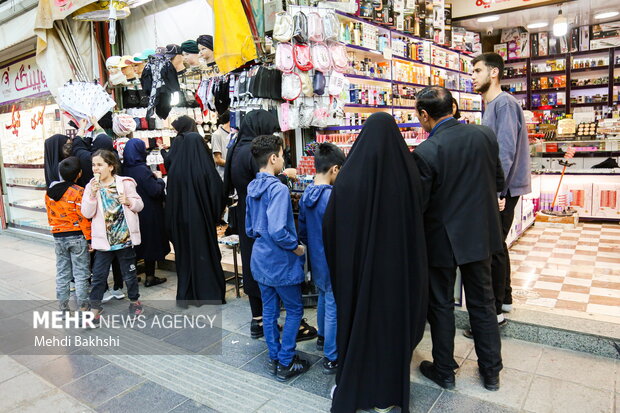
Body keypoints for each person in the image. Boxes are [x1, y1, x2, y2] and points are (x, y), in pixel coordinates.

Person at [323, 112, 429, 413]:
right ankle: (387, 394)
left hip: (359, 275)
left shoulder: (349, 179)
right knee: (391, 330)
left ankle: (358, 386)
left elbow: (331, 227)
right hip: (398, 273)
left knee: (360, 327)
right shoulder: (408, 174)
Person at [411, 86, 504, 392]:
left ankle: (445, 371)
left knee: (441, 304)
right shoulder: (484, 136)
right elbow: (498, 182)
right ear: (453, 107)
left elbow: (419, 205)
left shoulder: (426, 152)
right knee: (483, 303)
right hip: (481, 234)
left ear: (424, 116)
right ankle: (491, 373)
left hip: (442, 240)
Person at [225, 110, 316, 340]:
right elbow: (268, 183)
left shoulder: (235, 148)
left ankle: (260, 322)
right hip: (266, 218)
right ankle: (286, 334)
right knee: (277, 273)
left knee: (256, 269)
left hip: (249, 214)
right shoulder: (253, 153)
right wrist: (285, 177)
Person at [245, 134, 310, 381]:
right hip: (281, 260)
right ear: (273, 158)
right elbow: (278, 230)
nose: (283, 160)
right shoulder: (279, 189)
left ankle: (274, 357)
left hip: (260, 259)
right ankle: (286, 362)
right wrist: (297, 248)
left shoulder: (252, 188)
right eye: (282, 155)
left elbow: (250, 228)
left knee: (270, 311)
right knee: (294, 310)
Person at [472, 52, 531, 319]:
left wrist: (497, 191)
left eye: (477, 71)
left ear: (493, 72)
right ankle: (504, 298)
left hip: (504, 189)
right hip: (502, 187)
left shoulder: (504, 104)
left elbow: (505, 152)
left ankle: (494, 312)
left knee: (492, 247)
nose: (473, 76)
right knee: (498, 244)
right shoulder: (493, 105)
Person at [298, 142, 345, 375]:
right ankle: (332, 355)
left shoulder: (306, 194)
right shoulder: (333, 198)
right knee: (334, 303)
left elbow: (303, 233)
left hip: (316, 258)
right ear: (335, 169)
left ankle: (322, 338)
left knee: (324, 298)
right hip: (332, 258)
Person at [82, 150, 144, 321]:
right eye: (93, 165)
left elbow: (139, 205)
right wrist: (92, 195)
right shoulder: (90, 186)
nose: (96, 168)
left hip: (124, 238)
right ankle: (95, 309)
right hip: (104, 241)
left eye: (100, 165)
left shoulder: (125, 183)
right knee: (99, 275)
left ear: (111, 166)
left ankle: (135, 301)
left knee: (129, 274)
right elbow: (87, 213)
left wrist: (129, 201)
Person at [165, 132, 226, 305]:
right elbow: (217, 195)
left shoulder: (175, 170)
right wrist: (214, 216)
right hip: (201, 221)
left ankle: (186, 295)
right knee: (204, 255)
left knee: (185, 259)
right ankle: (209, 293)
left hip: (180, 222)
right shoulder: (205, 169)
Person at [71, 120, 125, 302]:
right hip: (115, 213)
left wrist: (82, 128)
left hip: (95, 212)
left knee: (99, 253)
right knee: (118, 250)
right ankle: (119, 287)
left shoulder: (88, 160)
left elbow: (77, 146)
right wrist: (98, 125)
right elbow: (105, 141)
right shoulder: (114, 161)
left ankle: (103, 289)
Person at [45, 157, 91, 313]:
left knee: (62, 272)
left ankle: (63, 308)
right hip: (77, 236)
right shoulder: (78, 192)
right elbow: (83, 217)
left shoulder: (49, 193)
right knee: (81, 273)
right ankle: (83, 307)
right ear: (79, 174)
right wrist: (90, 239)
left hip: (58, 237)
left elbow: (50, 215)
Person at [122, 139, 169, 287]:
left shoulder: (123, 169)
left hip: (132, 212)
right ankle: (150, 276)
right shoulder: (142, 169)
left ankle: (132, 276)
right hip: (149, 212)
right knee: (151, 243)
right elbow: (155, 191)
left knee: (136, 244)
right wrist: (160, 180)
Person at [211, 110, 231, 181]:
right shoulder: (217, 134)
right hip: (222, 176)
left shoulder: (235, 134)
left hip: (233, 175)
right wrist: (234, 164)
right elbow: (217, 160)